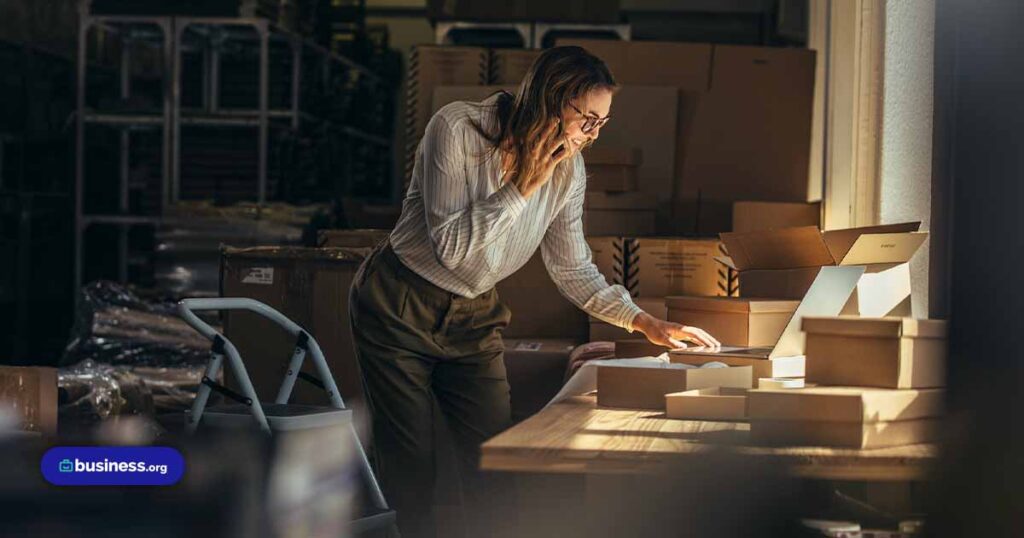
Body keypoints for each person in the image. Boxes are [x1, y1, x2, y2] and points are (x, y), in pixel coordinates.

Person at [349, 45, 721, 537]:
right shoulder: (458, 129)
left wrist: (645, 322)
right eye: (585, 117)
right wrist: (523, 186)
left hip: (474, 314)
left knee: (499, 458)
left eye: (601, 124)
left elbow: (573, 268)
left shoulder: (568, 171)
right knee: (412, 468)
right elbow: (453, 249)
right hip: (398, 303)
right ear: (550, 99)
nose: (590, 134)